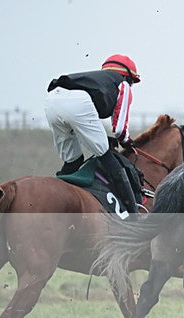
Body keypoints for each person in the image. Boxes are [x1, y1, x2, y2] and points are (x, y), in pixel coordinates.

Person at [45, 54, 141, 214]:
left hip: (51, 99)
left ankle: (55, 201)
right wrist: (127, 141)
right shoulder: (123, 84)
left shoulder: (94, 80)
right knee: (106, 157)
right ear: (127, 76)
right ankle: (134, 215)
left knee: (73, 160)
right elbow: (119, 129)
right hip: (77, 103)